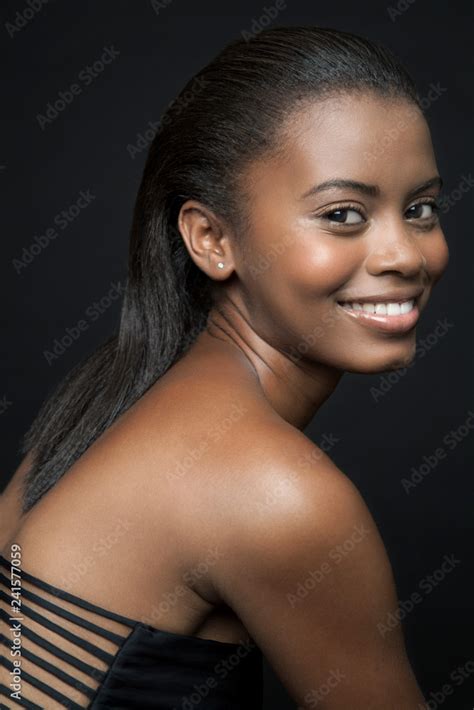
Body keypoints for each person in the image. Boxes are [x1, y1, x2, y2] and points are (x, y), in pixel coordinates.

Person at [0, 25, 449, 709]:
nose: (406, 255)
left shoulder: (107, 398)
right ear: (212, 238)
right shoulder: (274, 494)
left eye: (420, 209)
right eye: (343, 213)